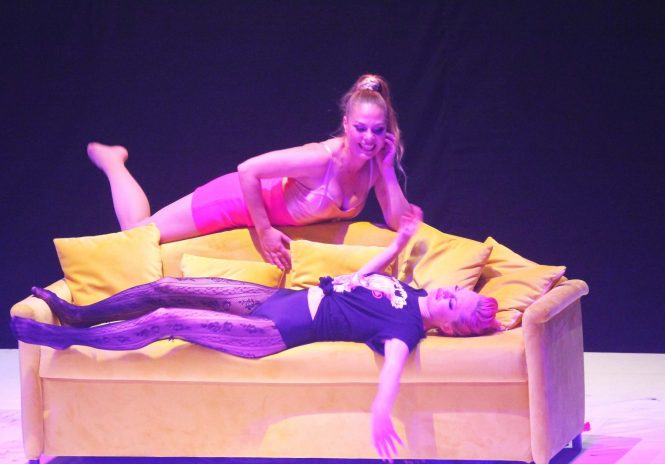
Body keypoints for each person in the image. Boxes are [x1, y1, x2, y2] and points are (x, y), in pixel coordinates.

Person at [11, 207, 499, 462]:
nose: (449, 293)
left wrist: (380, 412)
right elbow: (362, 277)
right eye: (457, 291)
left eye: (454, 304)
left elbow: (392, 366)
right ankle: (78, 315)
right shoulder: (408, 291)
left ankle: (66, 340)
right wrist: (397, 242)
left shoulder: (406, 328)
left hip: (273, 331)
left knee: (168, 321)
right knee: (165, 288)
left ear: (449, 327)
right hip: (277, 300)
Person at [87, 73, 411, 270]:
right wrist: (265, 231)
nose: (369, 139)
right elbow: (248, 170)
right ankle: (113, 162)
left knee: (138, 233)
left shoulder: (374, 167)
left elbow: (399, 221)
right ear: (346, 124)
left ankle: (114, 162)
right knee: (137, 233)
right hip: (235, 200)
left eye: (377, 130)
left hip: (261, 208)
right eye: (360, 128)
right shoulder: (319, 159)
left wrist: (387, 170)